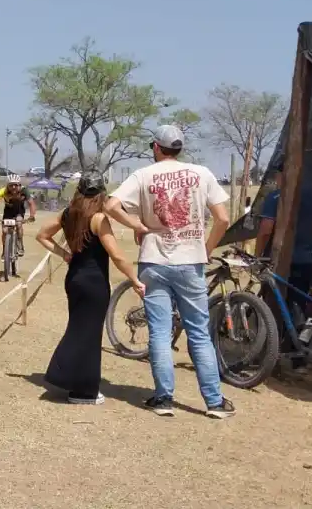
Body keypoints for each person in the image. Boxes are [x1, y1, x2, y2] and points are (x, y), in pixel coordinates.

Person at [104, 124, 235, 419]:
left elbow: (111, 205)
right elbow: (223, 218)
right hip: (191, 261)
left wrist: (137, 225)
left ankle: (163, 398)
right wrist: (207, 248)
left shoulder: (143, 175)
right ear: (180, 148)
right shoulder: (202, 173)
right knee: (199, 333)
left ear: (155, 147)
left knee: (160, 334)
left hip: (154, 261)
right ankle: (214, 402)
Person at [36, 171, 144, 404]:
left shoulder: (67, 214)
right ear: (102, 193)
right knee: (86, 333)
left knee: (83, 330)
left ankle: (85, 386)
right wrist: (134, 279)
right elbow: (116, 254)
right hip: (94, 283)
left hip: (74, 278)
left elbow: (42, 235)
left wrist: (64, 254)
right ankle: (76, 386)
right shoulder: (98, 219)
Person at [255, 162, 312, 368]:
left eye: (277, 175)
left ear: (283, 174)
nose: (277, 179)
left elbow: (265, 230)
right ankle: (298, 357)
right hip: (307, 261)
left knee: (274, 307)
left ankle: (270, 354)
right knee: (299, 306)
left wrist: (258, 256)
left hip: (279, 262)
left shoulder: (275, 198)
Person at [0, 175, 37, 256]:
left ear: (19, 185)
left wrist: (32, 215)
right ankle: (4, 250)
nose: (13, 187)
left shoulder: (24, 191)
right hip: (8, 212)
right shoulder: (3, 191)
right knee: (4, 231)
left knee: (19, 224)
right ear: (7, 185)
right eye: (11, 185)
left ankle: (20, 244)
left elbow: (31, 203)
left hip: (19, 211)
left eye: (15, 185)